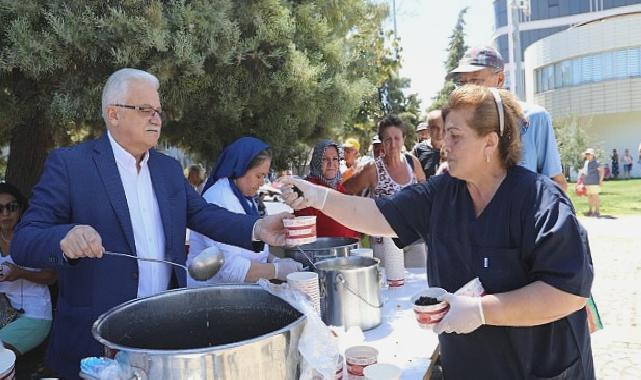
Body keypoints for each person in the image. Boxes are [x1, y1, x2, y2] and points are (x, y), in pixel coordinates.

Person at [280, 85, 594, 379]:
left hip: (537, 368)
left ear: (490, 142)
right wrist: (319, 197)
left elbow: (567, 293)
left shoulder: (540, 200)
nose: (444, 145)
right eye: (445, 135)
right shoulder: (444, 192)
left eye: (456, 136)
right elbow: (378, 214)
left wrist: (482, 311)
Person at [10, 68, 289, 379]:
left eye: (158, 110)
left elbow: (203, 214)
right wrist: (64, 238)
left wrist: (256, 228)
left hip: (164, 333)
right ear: (113, 114)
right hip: (95, 342)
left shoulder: (167, 168)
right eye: (145, 110)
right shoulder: (71, 165)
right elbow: (24, 241)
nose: (156, 118)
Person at [449, 45, 568, 192]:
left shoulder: (533, 118)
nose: (468, 89)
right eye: (462, 83)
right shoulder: (459, 124)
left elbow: (557, 183)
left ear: (500, 79)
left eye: (475, 80)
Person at [187, 137, 303, 287]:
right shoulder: (219, 197)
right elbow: (229, 269)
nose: (262, 182)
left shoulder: (245, 197)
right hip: (212, 296)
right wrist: (277, 270)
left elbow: (251, 251)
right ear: (240, 168)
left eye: (264, 176)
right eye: (258, 175)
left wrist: (273, 259)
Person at [343, 115, 426, 267]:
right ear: (382, 142)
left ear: (404, 139)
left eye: (397, 138)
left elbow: (425, 193)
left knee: (420, 284)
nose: (393, 144)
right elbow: (345, 190)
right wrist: (360, 218)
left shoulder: (412, 162)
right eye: (388, 139)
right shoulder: (372, 169)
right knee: (390, 287)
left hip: (414, 238)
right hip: (384, 242)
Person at [0, 183, 56, 356]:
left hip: (34, 315)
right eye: (0, 208)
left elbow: (52, 276)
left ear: (21, 208)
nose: (5, 214)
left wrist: (21, 273)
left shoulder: (33, 236)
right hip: (4, 314)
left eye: (12, 207)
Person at [295, 140, 359, 239]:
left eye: (335, 159)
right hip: (321, 252)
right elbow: (302, 236)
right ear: (317, 161)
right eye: (325, 159)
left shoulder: (341, 189)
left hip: (348, 251)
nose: (331, 163)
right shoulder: (307, 190)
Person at [413, 111, 445, 179]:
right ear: (428, 129)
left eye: (443, 127)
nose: (440, 132)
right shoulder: (418, 150)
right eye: (435, 128)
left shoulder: (454, 148)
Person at [582, 148, 604, 217]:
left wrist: (600, 181)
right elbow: (584, 172)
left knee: (595, 197)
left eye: (589, 154)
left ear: (592, 155)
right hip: (587, 182)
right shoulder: (586, 163)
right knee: (589, 197)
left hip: (594, 182)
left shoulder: (597, 162)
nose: (588, 156)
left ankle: (597, 211)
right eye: (587, 154)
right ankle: (590, 211)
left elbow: (602, 171)